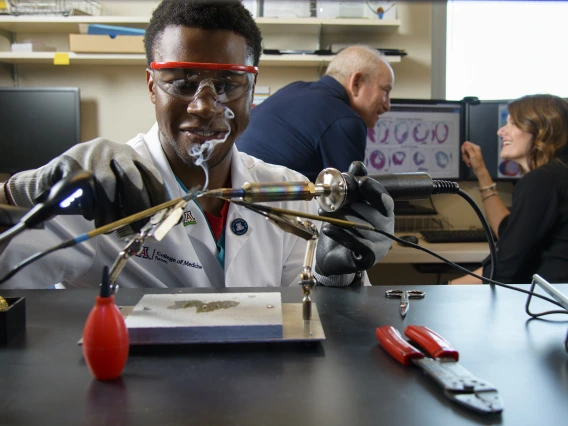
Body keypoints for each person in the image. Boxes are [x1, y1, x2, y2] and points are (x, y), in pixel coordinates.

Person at [0, 0, 394, 289]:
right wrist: (18, 192)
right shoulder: (103, 192)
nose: (205, 105)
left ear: (251, 90)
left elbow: (316, 321)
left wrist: (334, 276)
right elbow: (7, 272)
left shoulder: (290, 194)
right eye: (183, 82)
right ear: (152, 85)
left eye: (227, 85)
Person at [451, 94, 568, 285]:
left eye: (512, 123)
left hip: (551, 306)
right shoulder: (557, 175)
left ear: (541, 129)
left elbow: (505, 268)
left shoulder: (542, 181)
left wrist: (444, 288)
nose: (500, 131)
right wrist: (480, 171)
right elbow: (510, 233)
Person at [236, 45, 394, 182]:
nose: (388, 105)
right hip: (266, 207)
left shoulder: (294, 89)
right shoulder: (345, 120)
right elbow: (348, 202)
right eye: (385, 91)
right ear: (356, 82)